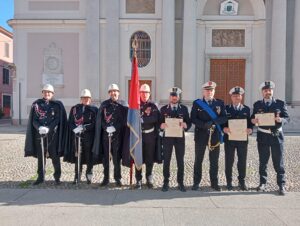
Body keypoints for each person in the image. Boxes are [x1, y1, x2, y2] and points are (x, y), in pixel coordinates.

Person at [251, 81, 290, 195]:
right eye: (265, 90)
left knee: (278, 161)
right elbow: (253, 117)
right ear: (262, 92)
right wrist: (253, 120)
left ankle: (281, 185)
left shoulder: (280, 104)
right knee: (263, 161)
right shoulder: (257, 105)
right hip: (263, 135)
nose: (267, 92)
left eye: (269, 90)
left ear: (272, 91)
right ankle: (262, 183)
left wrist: (281, 120)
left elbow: (287, 118)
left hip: (276, 136)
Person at [24, 84, 67, 185]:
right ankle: (40, 177)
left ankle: (57, 177)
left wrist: (49, 128)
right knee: (41, 157)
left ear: (52, 93)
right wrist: (39, 127)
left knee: (55, 157)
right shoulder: (36, 104)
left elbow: (57, 119)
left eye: (49, 92)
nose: (47, 93)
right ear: (42, 93)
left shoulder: (57, 105)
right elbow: (33, 119)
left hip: (52, 136)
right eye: (45, 92)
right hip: (40, 135)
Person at [191, 81, 227, 191]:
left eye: (211, 90)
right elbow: (193, 118)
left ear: (214, 91)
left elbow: (224, 118)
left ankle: (214, 183)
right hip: (201, 135)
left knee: (214, 161)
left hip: (215, 135)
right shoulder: (197, 103)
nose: (209, 92)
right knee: (198, 160)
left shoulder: (220, 103)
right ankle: (196, 182)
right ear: (203, 92)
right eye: (207, 90)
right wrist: (203, 125)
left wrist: (213, 122)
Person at [92, 84, 128, 187]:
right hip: (106, 135)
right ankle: (106, 178)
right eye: (111, 91)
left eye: (115, 91)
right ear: (109, 93)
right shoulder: (104, 104)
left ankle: (118, 178)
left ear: (118, 92)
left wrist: (115, 127)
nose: (113, 93)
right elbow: (101, 120)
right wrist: (105, 127)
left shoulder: (123, 105)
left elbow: (124, 120)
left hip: (117, 136)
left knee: (117, 158)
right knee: (106, 159)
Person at [160, 87, 191, 192]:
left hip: (179, 139)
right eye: (172, 96)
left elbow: (189, 122)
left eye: (176, 96)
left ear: (178, 97)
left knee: (180, 161)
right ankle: (165, 182)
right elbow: (159, 123)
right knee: (167, 161)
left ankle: (180, 182)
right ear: (170, 97)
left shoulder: (184, 109)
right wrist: (161, 125)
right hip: (167, 139)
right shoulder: (163, 109)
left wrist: (186, 125)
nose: (174, 97)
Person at [64, 89, 98, 184]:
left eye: (87, 98)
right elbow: (70, 121)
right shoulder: (75, 109)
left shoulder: (94, 110)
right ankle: (77, 175)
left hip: (89, 137)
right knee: (77, 156)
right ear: (81, 99)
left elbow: (95, 123)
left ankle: (89, 175)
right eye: (84, 98)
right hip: (77, 137)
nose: (86, 100)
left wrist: (84, 128)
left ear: (90, 99)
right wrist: (75, 128)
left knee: (89, 157)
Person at [223, 86, 252, 191]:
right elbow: (222, 122)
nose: (236, 97)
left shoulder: (246, 109)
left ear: (241, 97)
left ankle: (242, 181)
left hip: (242, 139)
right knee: (229, 161)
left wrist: (250, 129)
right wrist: (223, 128)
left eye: (238, 95)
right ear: (231, 97)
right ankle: (229, 181)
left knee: (242, 161)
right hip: (229, 139)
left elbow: (249, 123)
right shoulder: (226, 109)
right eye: (234, 96)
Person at [135, 84, 161, 189]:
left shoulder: (153, 106)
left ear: (149, 93)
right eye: (142, 92)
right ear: (139, 93)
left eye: (146, 92)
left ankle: (149, 178)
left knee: (149, 158)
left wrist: (142, 120)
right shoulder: (135, 105)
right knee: (139, 158)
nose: (144, 94)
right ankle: (138, 179)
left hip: (150, 136)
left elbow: (155, 118)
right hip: (139, 136)